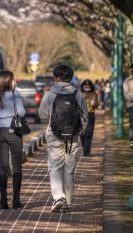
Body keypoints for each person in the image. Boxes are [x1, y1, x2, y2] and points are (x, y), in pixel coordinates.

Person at [38, 65, 88, 213]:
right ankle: (66, 204)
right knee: (69, 171)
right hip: (72, 138)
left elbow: (42, 115)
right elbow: (84, 118)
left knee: (55, 168)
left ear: (57, 79)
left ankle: (59, 197)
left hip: (54, 136)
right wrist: (79, 132)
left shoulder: (49, 95)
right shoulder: (78, 95)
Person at [0, 71, 26, 210]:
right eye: (12, 79)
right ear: (8, 81)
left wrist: (0, 118)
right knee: (16, 167)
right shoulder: (14, 95)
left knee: (3, 167)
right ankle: (16, 200)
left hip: (0, 132)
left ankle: (3, 201)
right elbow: (21, 112)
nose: (14, 81)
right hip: (13, 132)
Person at [80, 79, 99, 156]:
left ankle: (87, 152)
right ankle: (85, 149)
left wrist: (94, 104)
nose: (87, 88)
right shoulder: (79, 94)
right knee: (82, 133)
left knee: (89, 133)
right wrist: (82, 97)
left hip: (90, 114)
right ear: (82, 86)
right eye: (85, 86)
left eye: (88, 87)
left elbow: (97, 105)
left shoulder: (94, 94)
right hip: (81, 115)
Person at [123, 63, 133, 148]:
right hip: (131, 105)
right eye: (132, 68)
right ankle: (132, 141)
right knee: (132, 123)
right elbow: (126, 93)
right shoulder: (127, 80)